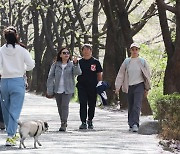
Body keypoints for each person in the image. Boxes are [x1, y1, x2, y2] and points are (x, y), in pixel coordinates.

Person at [0, 26, 35, 146]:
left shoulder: (1, 50)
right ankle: (10, 136)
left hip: (4, 81)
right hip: (17, 81)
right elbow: (31, 65)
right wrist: (22, 68)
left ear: (5, 37)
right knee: (15, 110)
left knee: (6, 110)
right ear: (16, 36)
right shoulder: (22, 50)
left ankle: (10, 133)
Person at [115, 43, 151, 132]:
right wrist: (117, 86)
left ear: (139, 50)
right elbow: (121, 74)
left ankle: (135, 124)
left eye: (136, 49)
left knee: (137, 105)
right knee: (131, 105)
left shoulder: (142, 62)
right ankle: (131, 124)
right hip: (129, 86)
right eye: (133, 49)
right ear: (130, 50)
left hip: (140, 85)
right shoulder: (127, 62)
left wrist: (147, 88)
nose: (134, 51)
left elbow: (148, 75)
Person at [46, 47, 82, 132]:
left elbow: (78, 73)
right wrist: (49, 89)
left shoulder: (72, 64)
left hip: (68, 89)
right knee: (60, 107)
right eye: (64, 53)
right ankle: (62, 120)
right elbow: (50, 77)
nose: (66, 54)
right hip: (57, 88)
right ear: (60, 55)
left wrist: (76, 64)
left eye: (68, 53)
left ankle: (63, 123)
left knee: (65, 106)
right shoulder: (55, 64)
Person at [77, 43, 103, 129]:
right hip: (81, 86)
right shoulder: (79, 62)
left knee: (92, 104)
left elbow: (99, 73)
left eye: (88, 50)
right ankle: (83, 121)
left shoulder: (95, 62)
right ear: (82, 51)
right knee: (83, 103)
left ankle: (90, 120)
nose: (86, 52)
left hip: (93, 86)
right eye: (84, 50)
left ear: (91, 51)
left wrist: (99, 83)